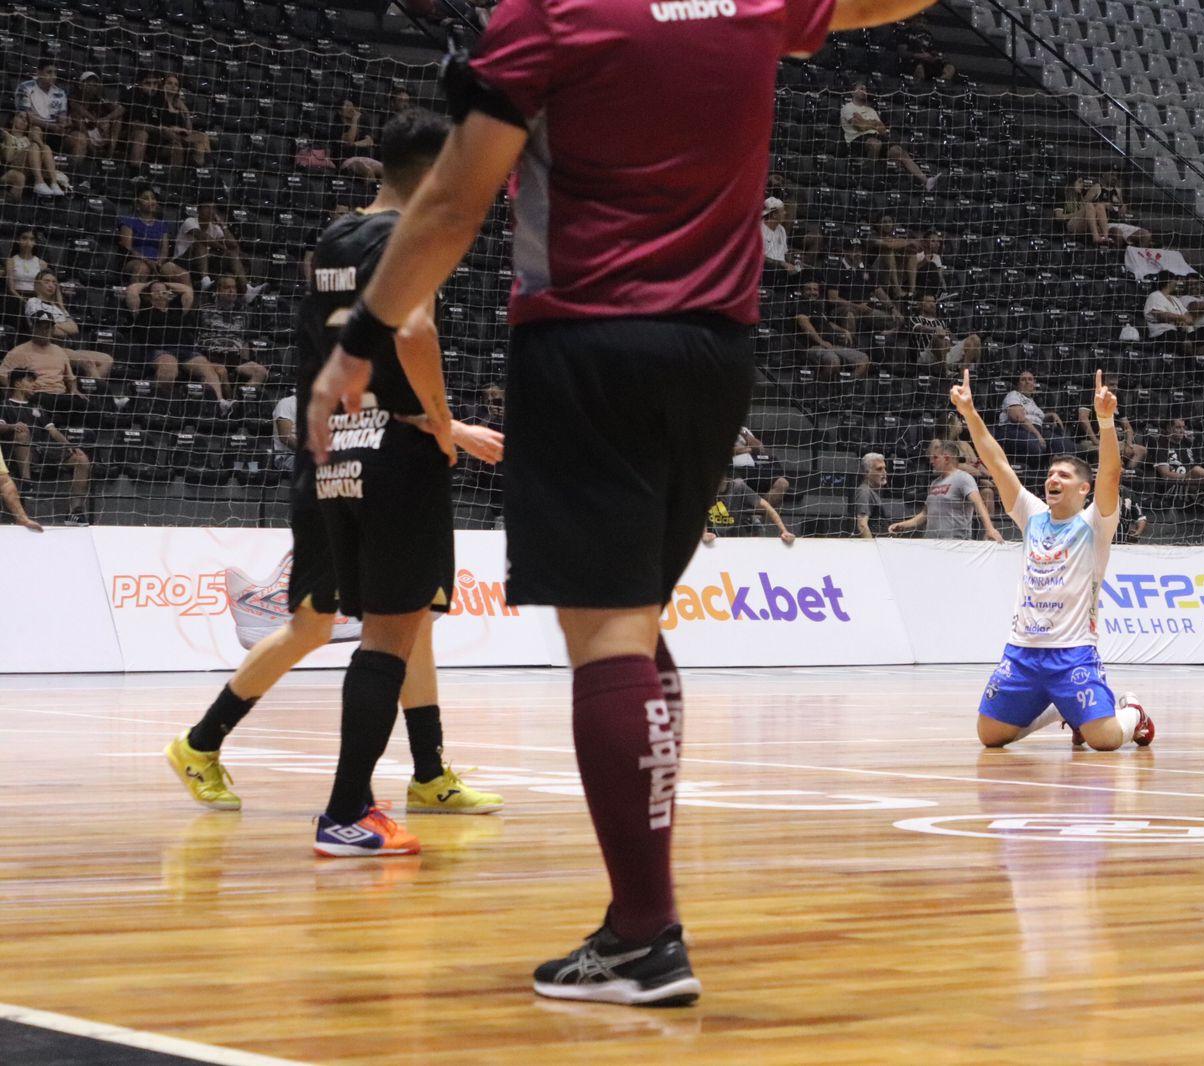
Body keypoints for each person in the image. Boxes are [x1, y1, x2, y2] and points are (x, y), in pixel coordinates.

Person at [303, 0, 933, 1007]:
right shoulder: (755, 4)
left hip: (588, 344)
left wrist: (357, 343)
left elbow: (453, 203)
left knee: (606, 638)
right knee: (634, 626)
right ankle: (636, 925)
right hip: (718, 356)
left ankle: (645, 935)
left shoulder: (551, 17)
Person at [164, 111, 507, 842]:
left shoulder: (332, 239)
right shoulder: (413, 237)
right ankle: (343, 793)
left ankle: (423, 773)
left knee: (348, 620)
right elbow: (412, 331)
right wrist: (443, 425)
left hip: (329, 453)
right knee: (380, 621)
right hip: (389, 447)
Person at [950, 367, 1154, 750]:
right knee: (989, 737)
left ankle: (1134, 713)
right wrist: (970, 414)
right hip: (1023, 650)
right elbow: (997, 462)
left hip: (1073, 652)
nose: (1052, 479)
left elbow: (1111, 474)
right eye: (1049, 474)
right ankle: (1062, 710)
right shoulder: (1032, 514)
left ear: (1083, 488)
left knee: (1106, 741)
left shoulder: (1095, 523)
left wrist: (1106, 422)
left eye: (1062, 474)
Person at [0, 368, 90, 522]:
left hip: (43, 449)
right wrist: (12, 426)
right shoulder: (4, 405)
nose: (34, 385)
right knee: (22, 432)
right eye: (30, 381)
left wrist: (70, 446)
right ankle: (27, 482)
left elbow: (53, 431)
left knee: (82, 459)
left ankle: (75, 512)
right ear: (18, 383)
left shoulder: (38, 407)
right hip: (16, 453)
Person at [888, 439, 1004, 541]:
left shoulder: (964, 478)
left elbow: (979, 504)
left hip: (956, 544)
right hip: (931, 543)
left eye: (935, 457)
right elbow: (925, 514)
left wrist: (990, 529)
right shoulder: (934, 483)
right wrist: (903, 525)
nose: (931, 461)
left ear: (947, 458)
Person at [839, 84, 937, 191]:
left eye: (865, 89)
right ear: (853, 92)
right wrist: (873, 123)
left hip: (876, 137)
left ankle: (926, 181)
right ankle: (869, 178)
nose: (864, 91)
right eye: (861, 89)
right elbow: (858, 127)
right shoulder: (847, 108)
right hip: (856, 140)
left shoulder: (871, 110)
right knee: (875, 144)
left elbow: (882, 129)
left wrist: (866, 122)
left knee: (898, 151)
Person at [23, 272, 114, 380]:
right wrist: (62, 327)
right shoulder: (33, 302)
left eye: (54, 282)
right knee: (88, 362)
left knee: (107, 360)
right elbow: (50, 331)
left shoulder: (58, 307)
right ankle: (97, 394)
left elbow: (74, 329)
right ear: (37, 284)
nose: (51, 285)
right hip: (47, 348)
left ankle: (87, 390)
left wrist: (55, 324)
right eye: (46, 282)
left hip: (66, 348)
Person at [792, 279, 869, 380]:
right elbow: (805, 324)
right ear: (802, 291)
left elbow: (829, 323)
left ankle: (846, 386)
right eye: (808, 289)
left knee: (864, 360)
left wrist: (844, 331)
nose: (812, 292)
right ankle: (818, 388)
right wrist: (821, 341)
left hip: (831, 345)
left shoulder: (819, 307)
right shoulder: (799, 306)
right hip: (812, 346)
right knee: (833, 362)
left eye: (815, 289)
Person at [15, 59, 86, 161]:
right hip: (33, 129)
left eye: (55, 73)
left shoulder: (60, 93)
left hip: (55, 131)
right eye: (49, 72)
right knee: (36, 131)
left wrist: (64, 124)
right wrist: (52, 126)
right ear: (38, 73)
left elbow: (62, 117)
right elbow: (27, 117)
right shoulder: (25, 88)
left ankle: (72, 173)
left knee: (80, 139)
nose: (53, 76)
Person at [995, 368, 1069, 465]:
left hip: (1036, 429)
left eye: (1030, 379)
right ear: (1018, 384)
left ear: (1034, 384)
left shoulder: (1032, 401)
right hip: (1015, 429)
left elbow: (1035, 417)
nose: (1027, 382)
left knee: (1065, 446)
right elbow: (1018, 418)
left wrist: (1051, 415)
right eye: (1023, 379)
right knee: (1035, 445)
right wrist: (1038, 435)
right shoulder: (1013, 395)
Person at [118, 187, 189, 285]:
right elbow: (127, 248)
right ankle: (135, 298)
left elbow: (164, 250)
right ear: (137, 204)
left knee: (183, 274)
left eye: (153, 198)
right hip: (134, 261)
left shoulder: (162, 224)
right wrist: (147, 261)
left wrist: (159, 261)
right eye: (146, 198)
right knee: (142, 269)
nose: (151, 201)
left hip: (158, 262)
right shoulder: (128, 221)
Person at [702, 475, 796, 543]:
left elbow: (767, 507)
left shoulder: (738, 487)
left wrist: (784, 531)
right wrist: (704, 533)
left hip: (738, 537)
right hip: (713, 538)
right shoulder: (705, 488)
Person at [4, 111, 66, 197]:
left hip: (31, 168)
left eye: (27, 120)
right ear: (12, 120)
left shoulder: (28, 139)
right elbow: (8, 159)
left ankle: (54, 183)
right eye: (20, 117)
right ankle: (39, 181)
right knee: (33, 147)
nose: (24, 121)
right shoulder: (6, 136)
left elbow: (42, 151)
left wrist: (37, 139)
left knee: (46, 147)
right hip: (14, 166)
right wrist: (9, 140)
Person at [68, 72, 121, 158]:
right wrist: (96, 121)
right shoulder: (73, 98)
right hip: (80, 133)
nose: (92, 84)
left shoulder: (100, 100)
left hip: (98, 133)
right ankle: (91, 149)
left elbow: (121, 109)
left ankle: (111, 150)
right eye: (89, 82)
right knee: (77, 116)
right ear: (81, 85)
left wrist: (106, 119)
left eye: (95, 83)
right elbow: (76, 108)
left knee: (117, 119)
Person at [1143, 271, 1191, 345]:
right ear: (1168, 281)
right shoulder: (1155, 296)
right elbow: (1161, 316)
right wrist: (1180, 318)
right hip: (1162, 334)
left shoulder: (1175, 299)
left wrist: (1183, 321)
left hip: (1179, 332)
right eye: (1175, 279)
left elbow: (1189, 317)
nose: (1177, 282)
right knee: (1186, 342)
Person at [854, 451, 891, 538]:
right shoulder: (864, 492)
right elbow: (862, 525)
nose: (884, 473)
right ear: (866, 473)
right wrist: (871, 547)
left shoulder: (872, 491)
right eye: (879, 469)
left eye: (884, 468)